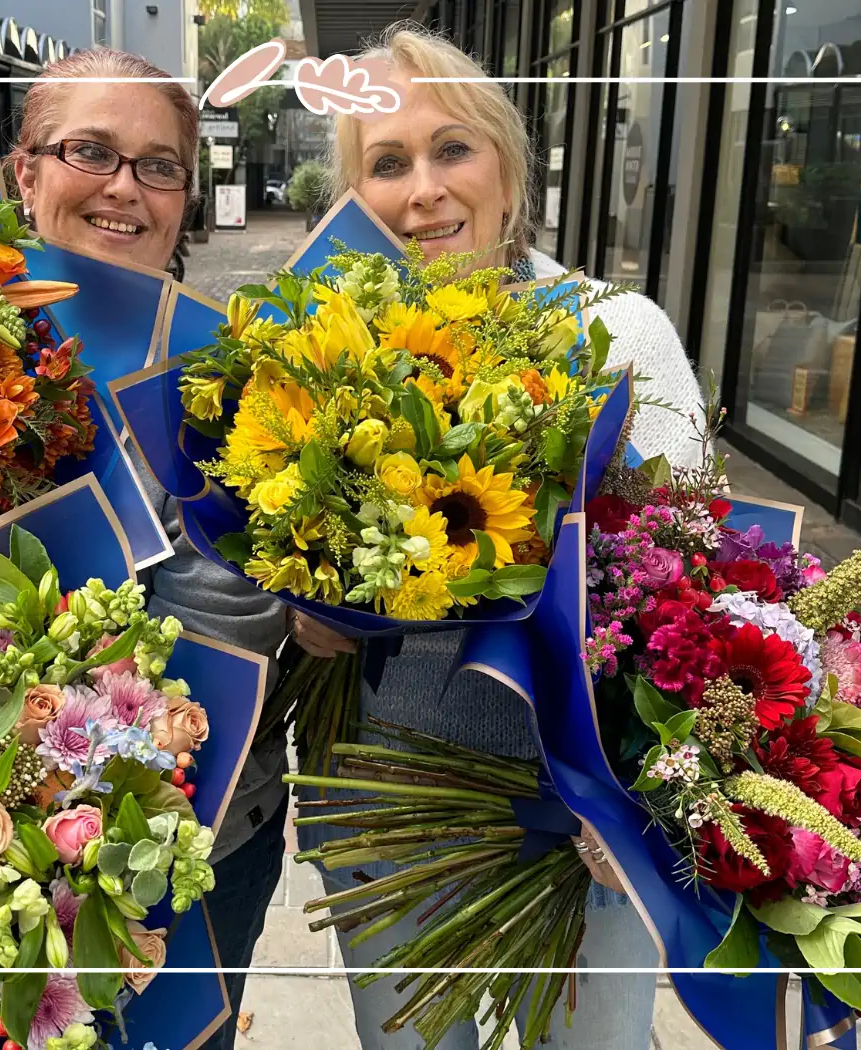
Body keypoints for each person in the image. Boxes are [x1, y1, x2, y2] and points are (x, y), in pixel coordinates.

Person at [289, 24, 706, 1050]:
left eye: (450, 149)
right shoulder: (313, 350)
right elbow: (268, 538)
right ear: (354, 196)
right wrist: (300, 603)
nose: (422, 189)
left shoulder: (618, 331)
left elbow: (698, 589)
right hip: (380, 793)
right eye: (386, 164)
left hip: (573, 814)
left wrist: (652, 794)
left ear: (506, 167)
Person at [10, 49, 289, 1050]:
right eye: (92, 151)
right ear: (25, 172)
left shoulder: (245, 373)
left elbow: (262, 615)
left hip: (212, 832)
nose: (126, 187)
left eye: (157, 165)